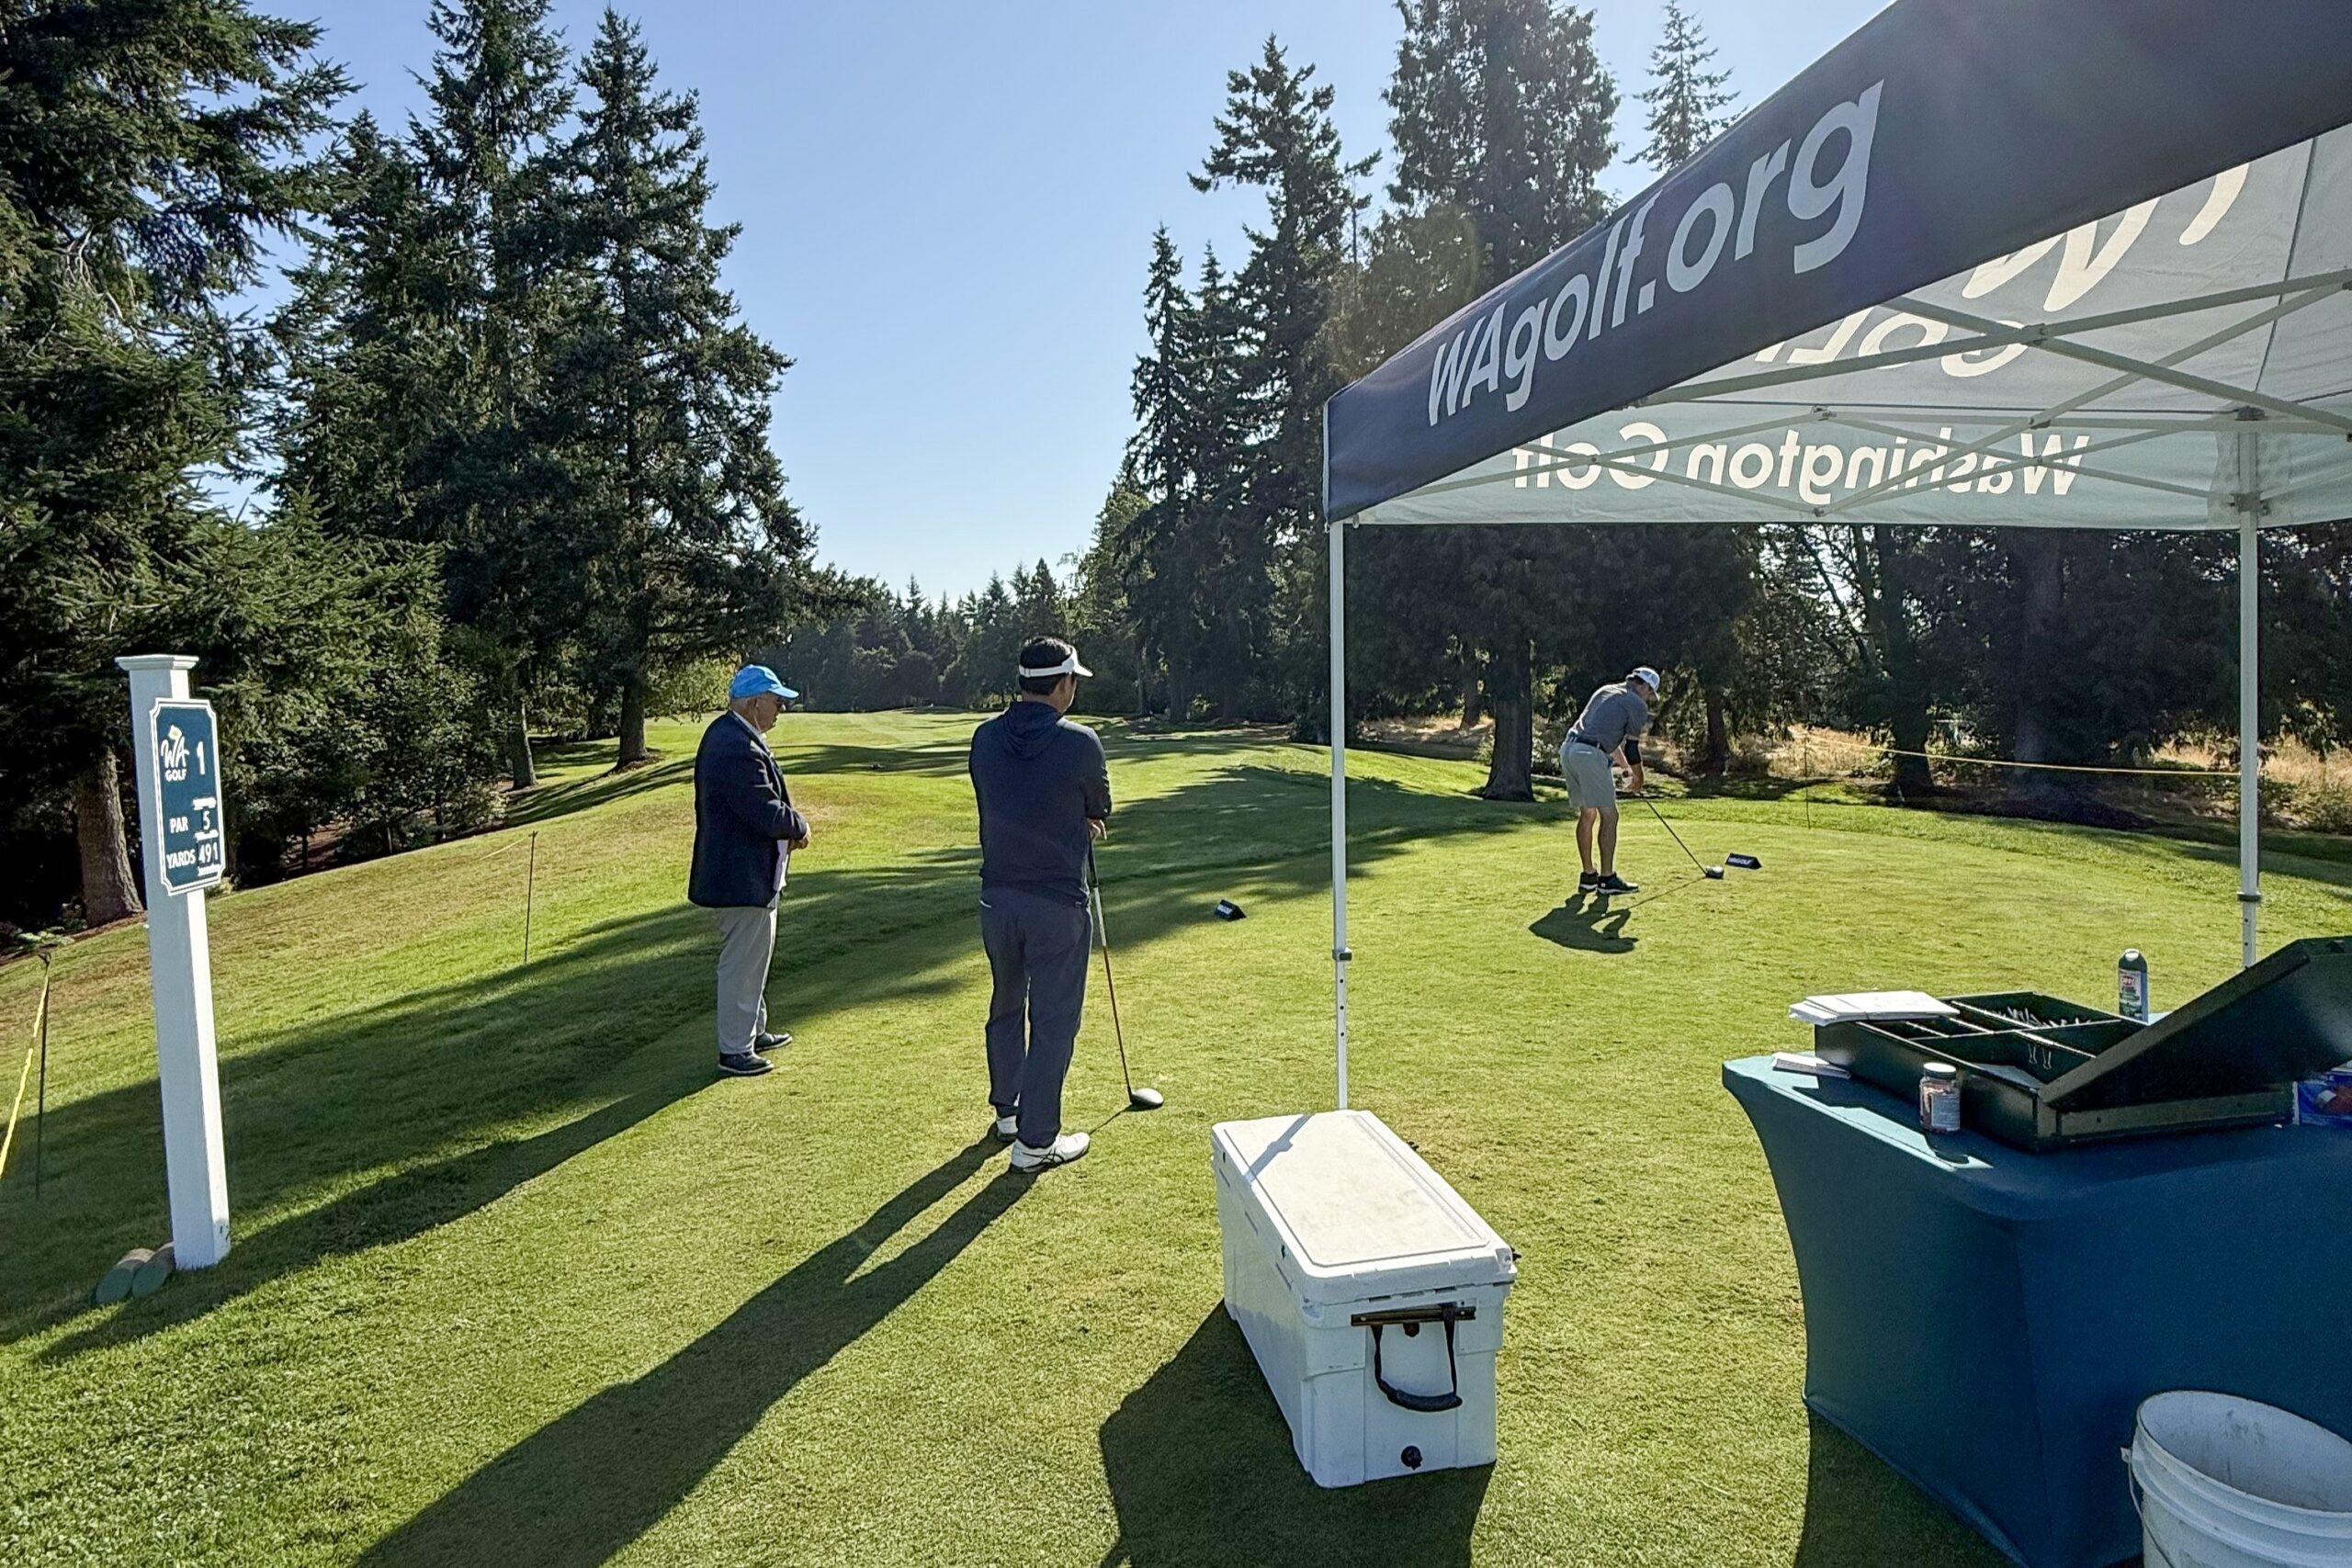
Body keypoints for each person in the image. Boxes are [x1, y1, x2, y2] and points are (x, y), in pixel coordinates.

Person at [968, 637, 1112, 1174]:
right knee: (1053, 1022)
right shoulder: (1080, 742)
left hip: (997, 898)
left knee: (1006, 1003)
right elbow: (1100, 806)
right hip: (1056, 903)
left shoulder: (985, 738)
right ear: (1063, 684)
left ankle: (1008, 1113)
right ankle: (1035, 1143)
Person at [689, 664, 810, 1078]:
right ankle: (735, 1049)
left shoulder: (735, 735)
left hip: (747, 873)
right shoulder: (735, 745)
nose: (780, 710)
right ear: (754, 703)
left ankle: (752, 1031)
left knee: (753, 958)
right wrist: (799, 826)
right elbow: (763, 808)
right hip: (740, 876)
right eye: (776, 702)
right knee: (742, 963)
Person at [1559, 666, 1659, 897]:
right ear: (1642, 686)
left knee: (1588, 814)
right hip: (1589, 755)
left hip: (1569, 751)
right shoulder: (1636, 704)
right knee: (1610, 815)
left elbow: (1606, 739)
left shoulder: (1606, 691)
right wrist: (1639, 778)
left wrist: (1625, 769)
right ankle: (1607, 879)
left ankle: (1588, 877)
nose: (1648, 699)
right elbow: (1631, 747)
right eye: (1649, 693)